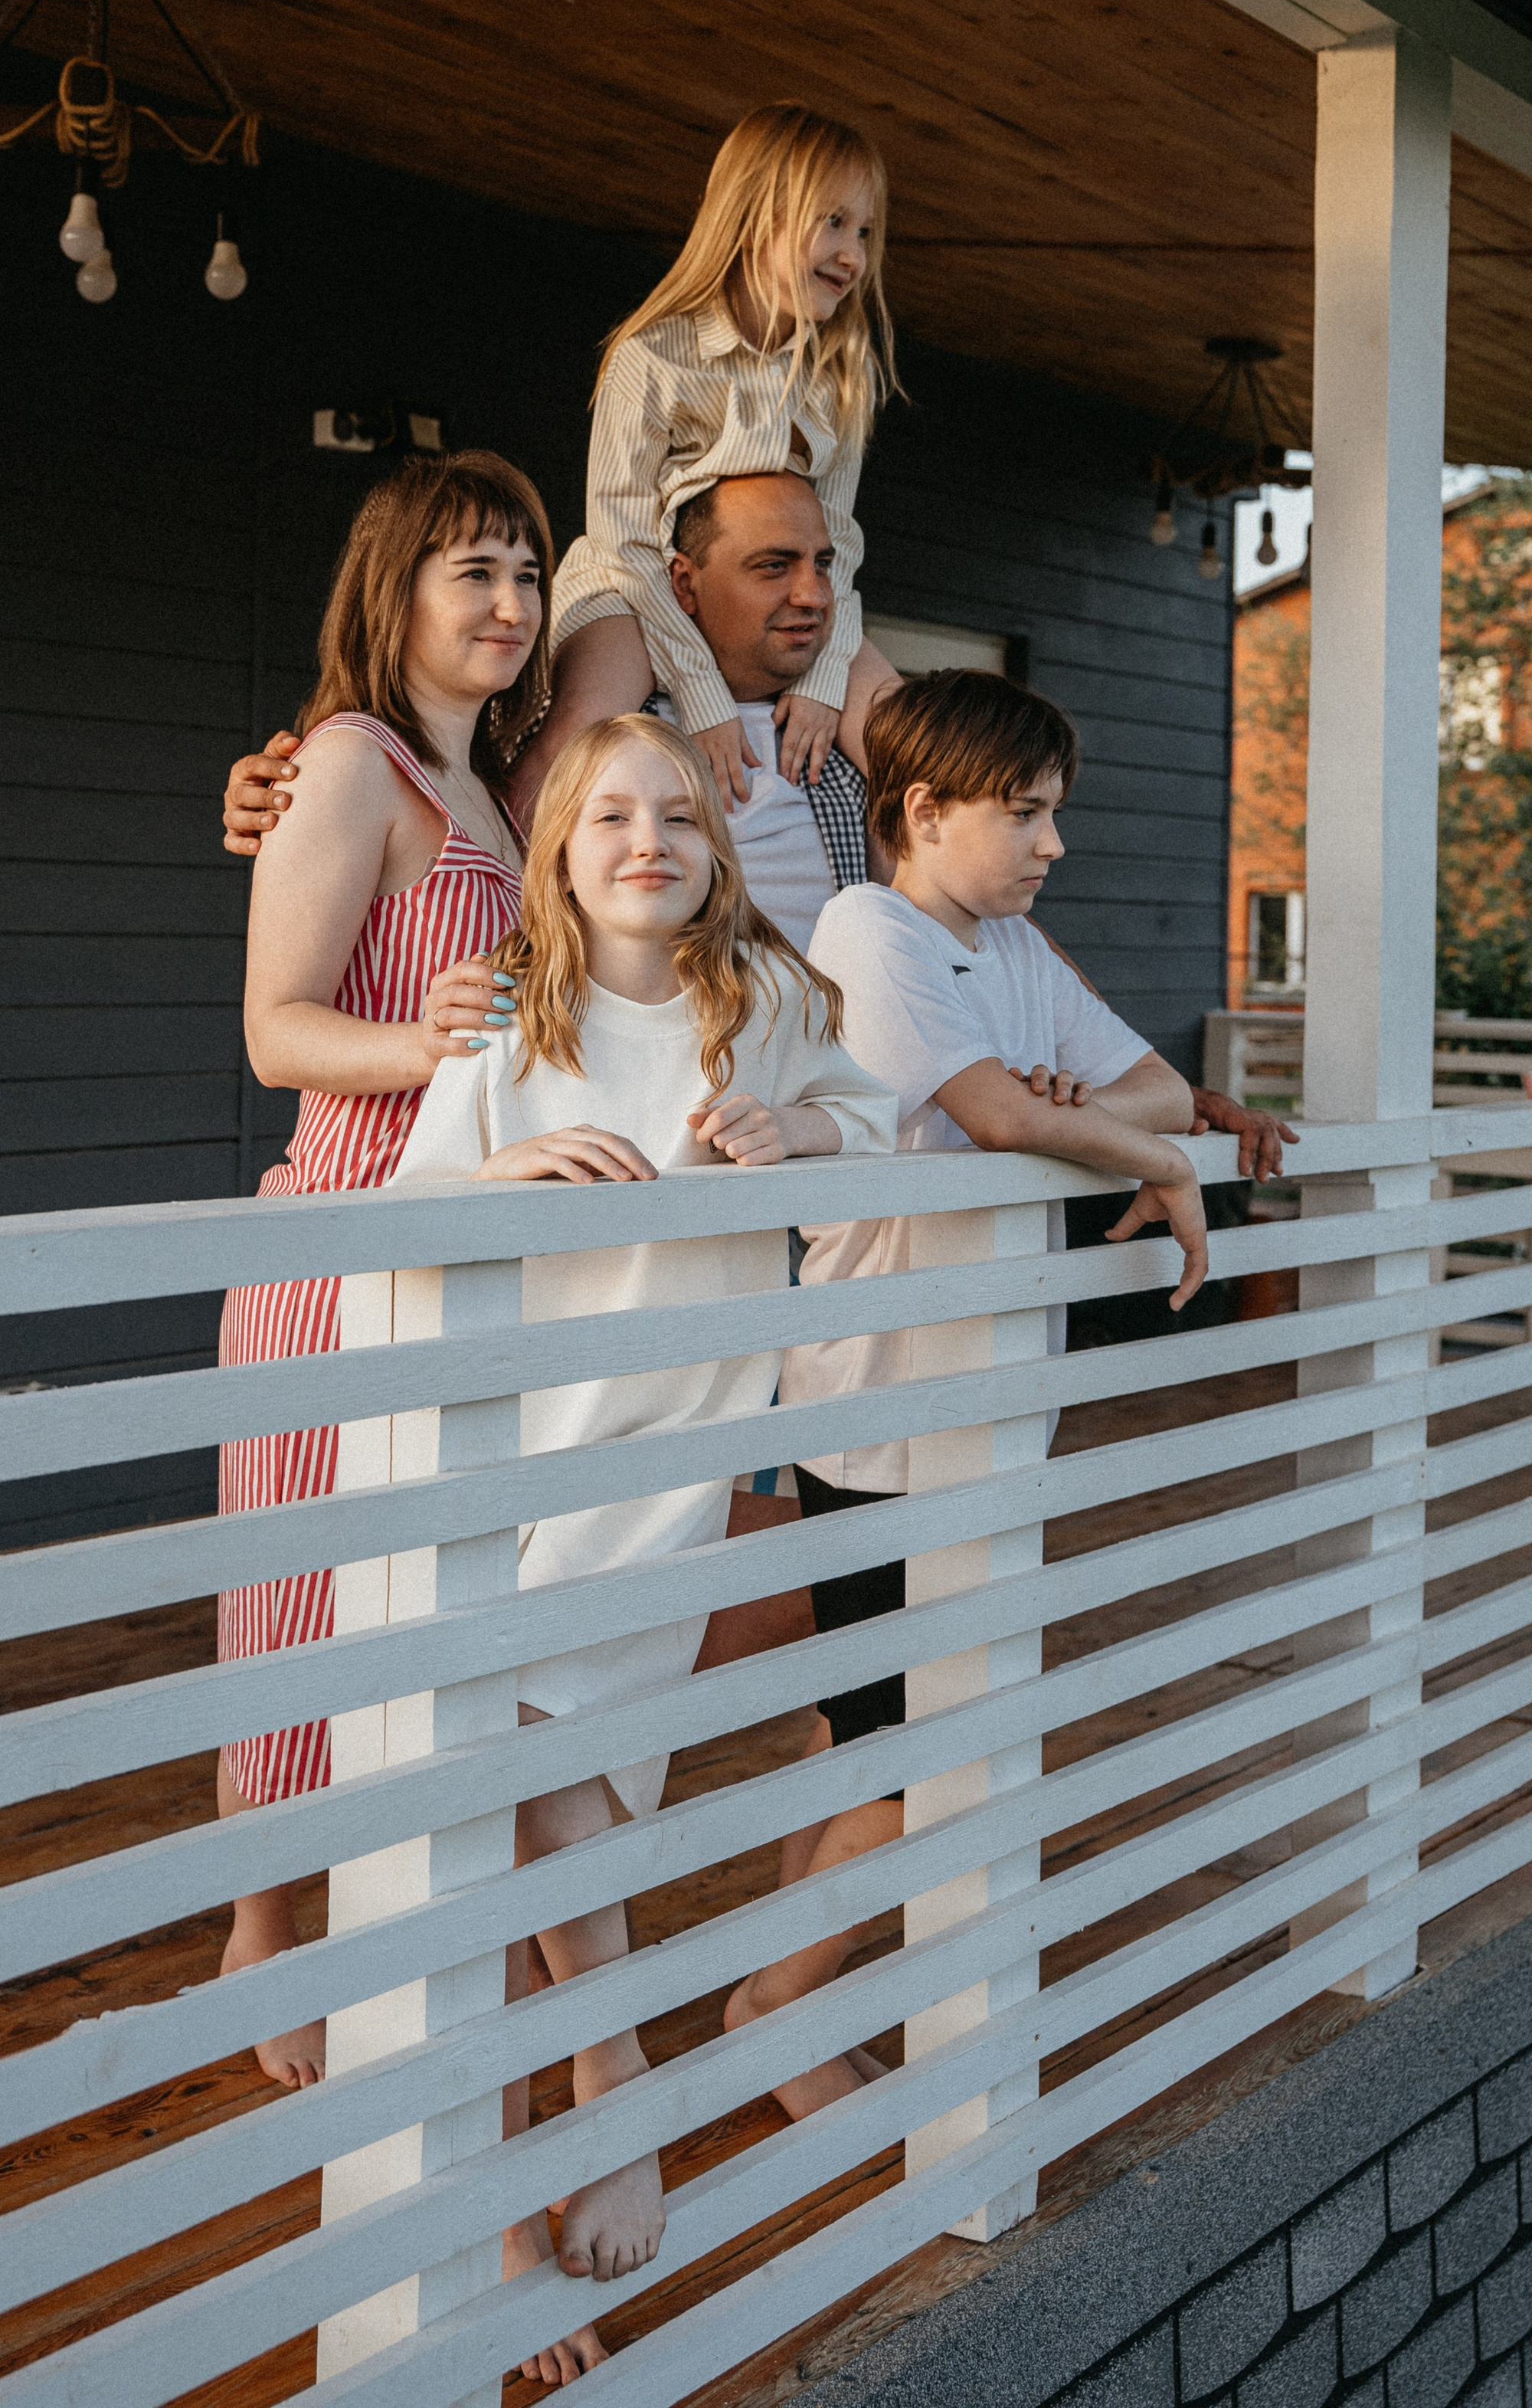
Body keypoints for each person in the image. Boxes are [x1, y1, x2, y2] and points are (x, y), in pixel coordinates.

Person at [382, 709, 896, 2380]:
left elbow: (886, 1136)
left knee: (532, 1815)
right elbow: (396, 1222)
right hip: (520, 1466)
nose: (644, 842)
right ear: (558, 844)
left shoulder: (774, 1005)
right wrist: (502, 1168)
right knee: (534, 1805)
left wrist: (800, 1138)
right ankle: (601, 2093)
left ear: (714, 842)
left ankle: (519, 2212)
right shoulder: (500, 1019)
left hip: (677, 1464)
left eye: (677, 814)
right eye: (608, 814)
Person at [220, 473, 1298, 1183]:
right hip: (511, 1185)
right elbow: (317, 994)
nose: (812, 594)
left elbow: (975, 907)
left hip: (768, 1158)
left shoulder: (837, 762)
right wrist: (295, 778)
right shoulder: (606, 768)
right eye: (772, 566)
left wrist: (1169, 1093)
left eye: (825, 566)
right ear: (684, 586)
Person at [727, 668, 1213, 2115]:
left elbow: (1161, 1093)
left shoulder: (1007, 944)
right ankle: (777, 2010)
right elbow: (1013, 1112)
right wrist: (1121, 1148)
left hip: (980, 1409)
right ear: (924, 812)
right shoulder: (868, 928)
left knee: (874, 1727)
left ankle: (780, 1996)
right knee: (919, 1745)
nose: (1052, 843)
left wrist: (1098, 1123)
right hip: (877, 1405)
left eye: (1054, 812)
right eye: (1026, 812)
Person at [220, 448, 551, 2091]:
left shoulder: (496, 784)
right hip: (340, 1244)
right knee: (298, 1595)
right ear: (396, 592)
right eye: (471, 571)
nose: (507, 604)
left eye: (525, 573)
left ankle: (392, 1899)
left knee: (422, 1599)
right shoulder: (346, 765)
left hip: (462, 1254)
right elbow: (274, 1030)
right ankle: (262, 1929)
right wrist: (410, 1042)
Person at [512, 102, 906, 824]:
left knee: (912, 744)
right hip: (636, 592)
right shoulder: (651, 359)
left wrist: (823, 678)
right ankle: (503, 908)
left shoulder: (842, 377)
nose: (853, 255)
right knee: (577, 733)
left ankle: (926, 922)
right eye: (833, 223)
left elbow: (836, 544)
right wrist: (701, 693)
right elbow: (624, 542)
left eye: (866, 232)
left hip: (770, 594)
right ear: (756, 217)